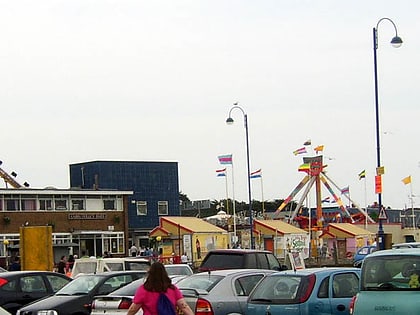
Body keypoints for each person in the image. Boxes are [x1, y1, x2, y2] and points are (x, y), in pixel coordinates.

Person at [127, 261, 194, 315]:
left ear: (150, 274)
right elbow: (184, 306)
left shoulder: (144, 289)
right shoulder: (172, 289)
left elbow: (133, 309)